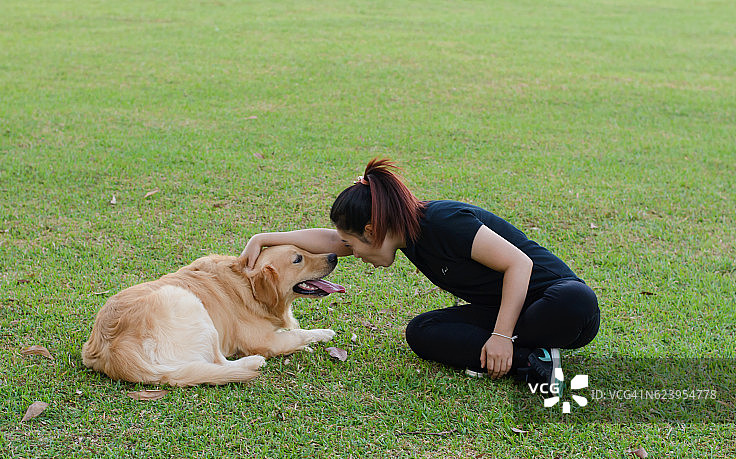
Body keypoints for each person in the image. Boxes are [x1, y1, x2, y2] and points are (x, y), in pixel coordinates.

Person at [241, 158, 600, 394]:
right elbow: (328, 240)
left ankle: (516, 346)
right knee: (422, 333)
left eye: (352, 243)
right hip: (507, 311)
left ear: (372, 229)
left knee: (575, 300)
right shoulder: (400, 235)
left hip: (556, 304)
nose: (348, 251)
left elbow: (519, 265)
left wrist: (502, 335)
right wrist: (264, 238)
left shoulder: (444, 222)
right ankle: (532, 361)